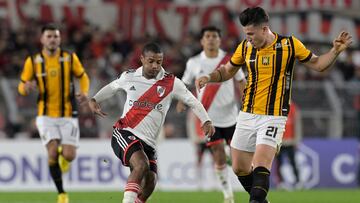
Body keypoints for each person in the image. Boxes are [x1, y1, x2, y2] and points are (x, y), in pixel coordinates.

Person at [196, 7, 352, 203]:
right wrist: (209, 77)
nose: (249, 38)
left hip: (273, 116)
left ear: (264, 29)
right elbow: (227, 71)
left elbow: (319, 64)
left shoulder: (289, 44)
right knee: (239, 168)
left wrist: (335, 51)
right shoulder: (245, 47)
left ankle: (257, 199)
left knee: (261, 165)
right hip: (246, 115)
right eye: (246, 34)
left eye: (251, 33)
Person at [88, 42, 215, 203]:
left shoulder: (172, 83)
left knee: (151, 182)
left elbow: (193, 101)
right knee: (141, 164)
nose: (155, 65)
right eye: (151, 61)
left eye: (159, 62)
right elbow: (112, 88)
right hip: (125, 131)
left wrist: (206, 120)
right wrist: (94, 99)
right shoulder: (130, 76)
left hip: (149, 142)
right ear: (142, 59)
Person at [18, 24, 90, 203]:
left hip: (67, 114)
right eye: (49, 36)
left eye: (55, 36)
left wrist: (85, 91)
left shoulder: (69, 58)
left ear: (60, 39)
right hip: (45, 114)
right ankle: (62, 194)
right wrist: (25, 88)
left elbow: (83, 76)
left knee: (69, 155)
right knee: (51, 153)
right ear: (42, 39)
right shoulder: (33, 61)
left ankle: (64, 157)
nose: (52, 39)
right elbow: (21, 85)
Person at [176, 26, 246, 203]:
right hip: (209, 119)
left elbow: (241, 81)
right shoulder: (194, 63)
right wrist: (181, 100)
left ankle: (249, 186)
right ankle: (228, 195)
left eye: (214, 36)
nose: (211, 39)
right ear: (202, 41)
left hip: (231, 117)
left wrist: (247, 99)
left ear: (219, 40)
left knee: (239, 161)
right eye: (207, 36)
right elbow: (184, 84)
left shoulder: (230, 60)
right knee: (218, 155)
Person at [275, 102, 302, 190]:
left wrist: (297, 140)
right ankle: (280, 183)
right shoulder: (276, 105)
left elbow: (297, 125)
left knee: (293, 162)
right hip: (279, 142)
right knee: (279, 163)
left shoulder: (294, 107)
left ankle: (298, 181)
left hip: (290, 141)